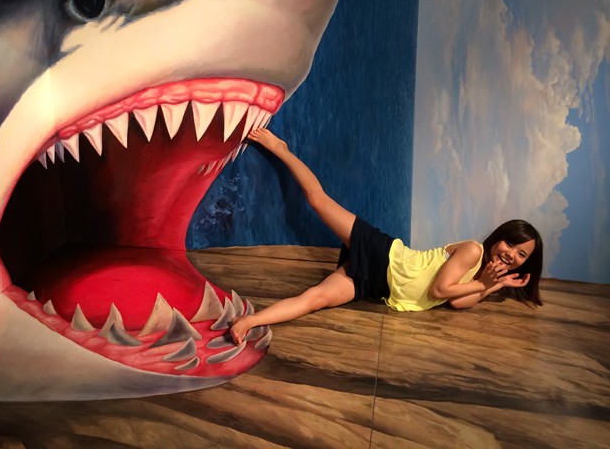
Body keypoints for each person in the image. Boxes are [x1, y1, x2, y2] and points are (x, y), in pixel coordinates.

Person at [229, 128, 543, 345]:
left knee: (316, 299)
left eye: (521, 255)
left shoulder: (482, 276)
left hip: (382, 286)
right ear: (498, 238)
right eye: (510, 244)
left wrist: (494, 284)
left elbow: (458, 303)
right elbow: (440, 290)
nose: (511, 254)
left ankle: (250, 322)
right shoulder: (473, 251)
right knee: (318, 200)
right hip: (385, 255)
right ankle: (280, 149)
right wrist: (485, 283)